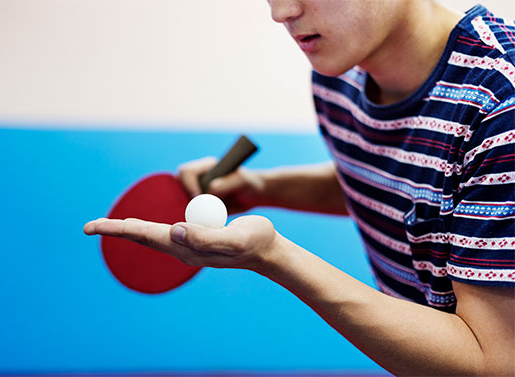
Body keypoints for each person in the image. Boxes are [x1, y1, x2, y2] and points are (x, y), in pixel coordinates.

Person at [85, 0, 515, 375]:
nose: (280, 12)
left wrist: (275, 258)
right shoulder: (340, 71)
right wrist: (256, 188)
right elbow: (404, 186)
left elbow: (490, 362)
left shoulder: (502, 106)